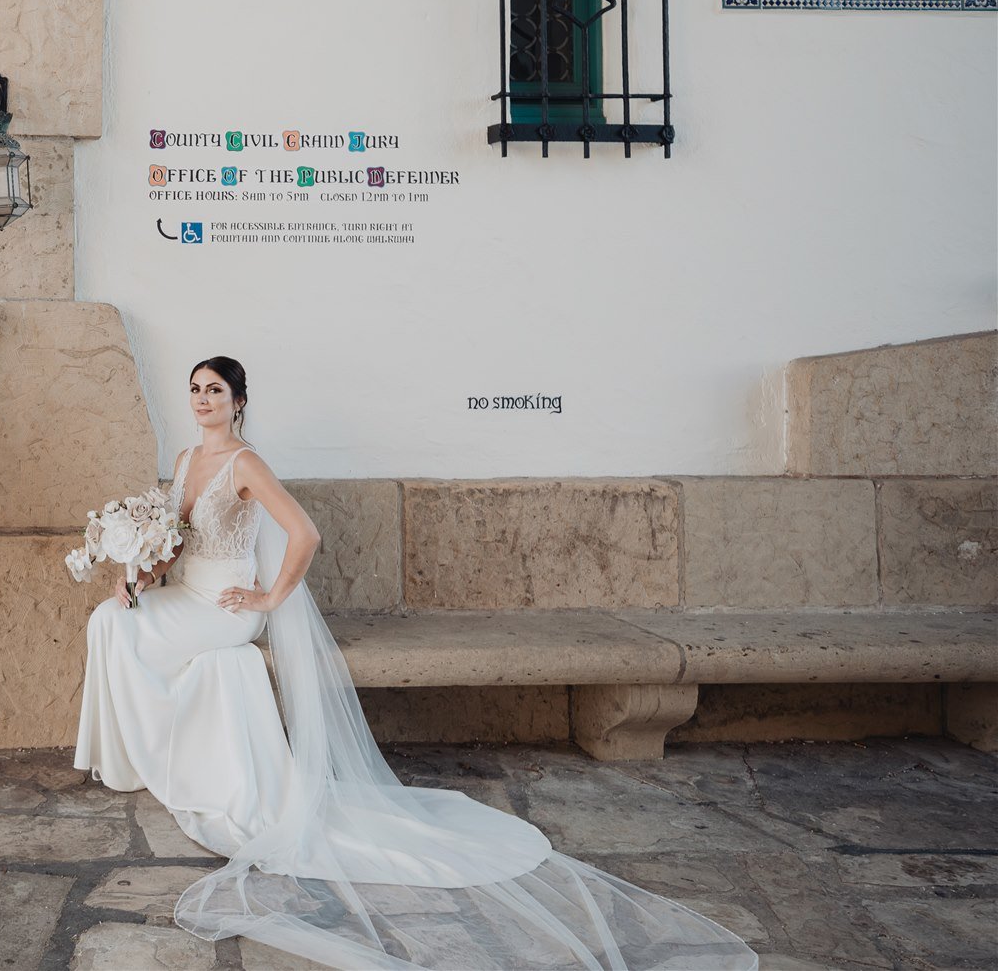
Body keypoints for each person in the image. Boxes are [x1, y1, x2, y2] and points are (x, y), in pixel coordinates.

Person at [74, 356, 758, 970]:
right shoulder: (188, 458)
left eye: (214, 390)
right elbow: (173, 540)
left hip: (226, 601)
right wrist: (137, 575)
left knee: (132, 634)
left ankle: (152, 754)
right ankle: (135, 754)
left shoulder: (244, 462)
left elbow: (304, 532)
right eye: (194, 389)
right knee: (110, 618)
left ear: (238, 400)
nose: (202, 399)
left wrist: (266, 595)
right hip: (187, 589)